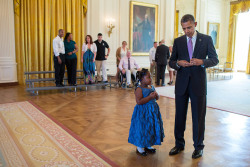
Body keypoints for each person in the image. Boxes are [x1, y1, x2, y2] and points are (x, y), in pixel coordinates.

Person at [169, 14, 219, 159]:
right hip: (182, 84)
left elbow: (215, 59)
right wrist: (179, 63)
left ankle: (198, 147)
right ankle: (179, 144)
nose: (187, 31)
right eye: (184, 28)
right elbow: (171, 62)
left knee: (198, 117)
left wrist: (202, 62)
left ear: (195, 24)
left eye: (189, 27)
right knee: (179, 116)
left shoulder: (206, 39)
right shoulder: (178, 41)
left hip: (198, 84)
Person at [128, 69, 165, 156]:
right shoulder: (139, 89)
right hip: (143, 113)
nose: (150, 79)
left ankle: (148, 144)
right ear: (141, 79)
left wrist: (156, 95)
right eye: (148, 77)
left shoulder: (151, 87)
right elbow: (139, 101)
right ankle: (140, 146)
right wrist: (149, 97)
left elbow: (157, 98)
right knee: (142, 128)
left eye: (151, 77)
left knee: (150, 128)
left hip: (152, 113)